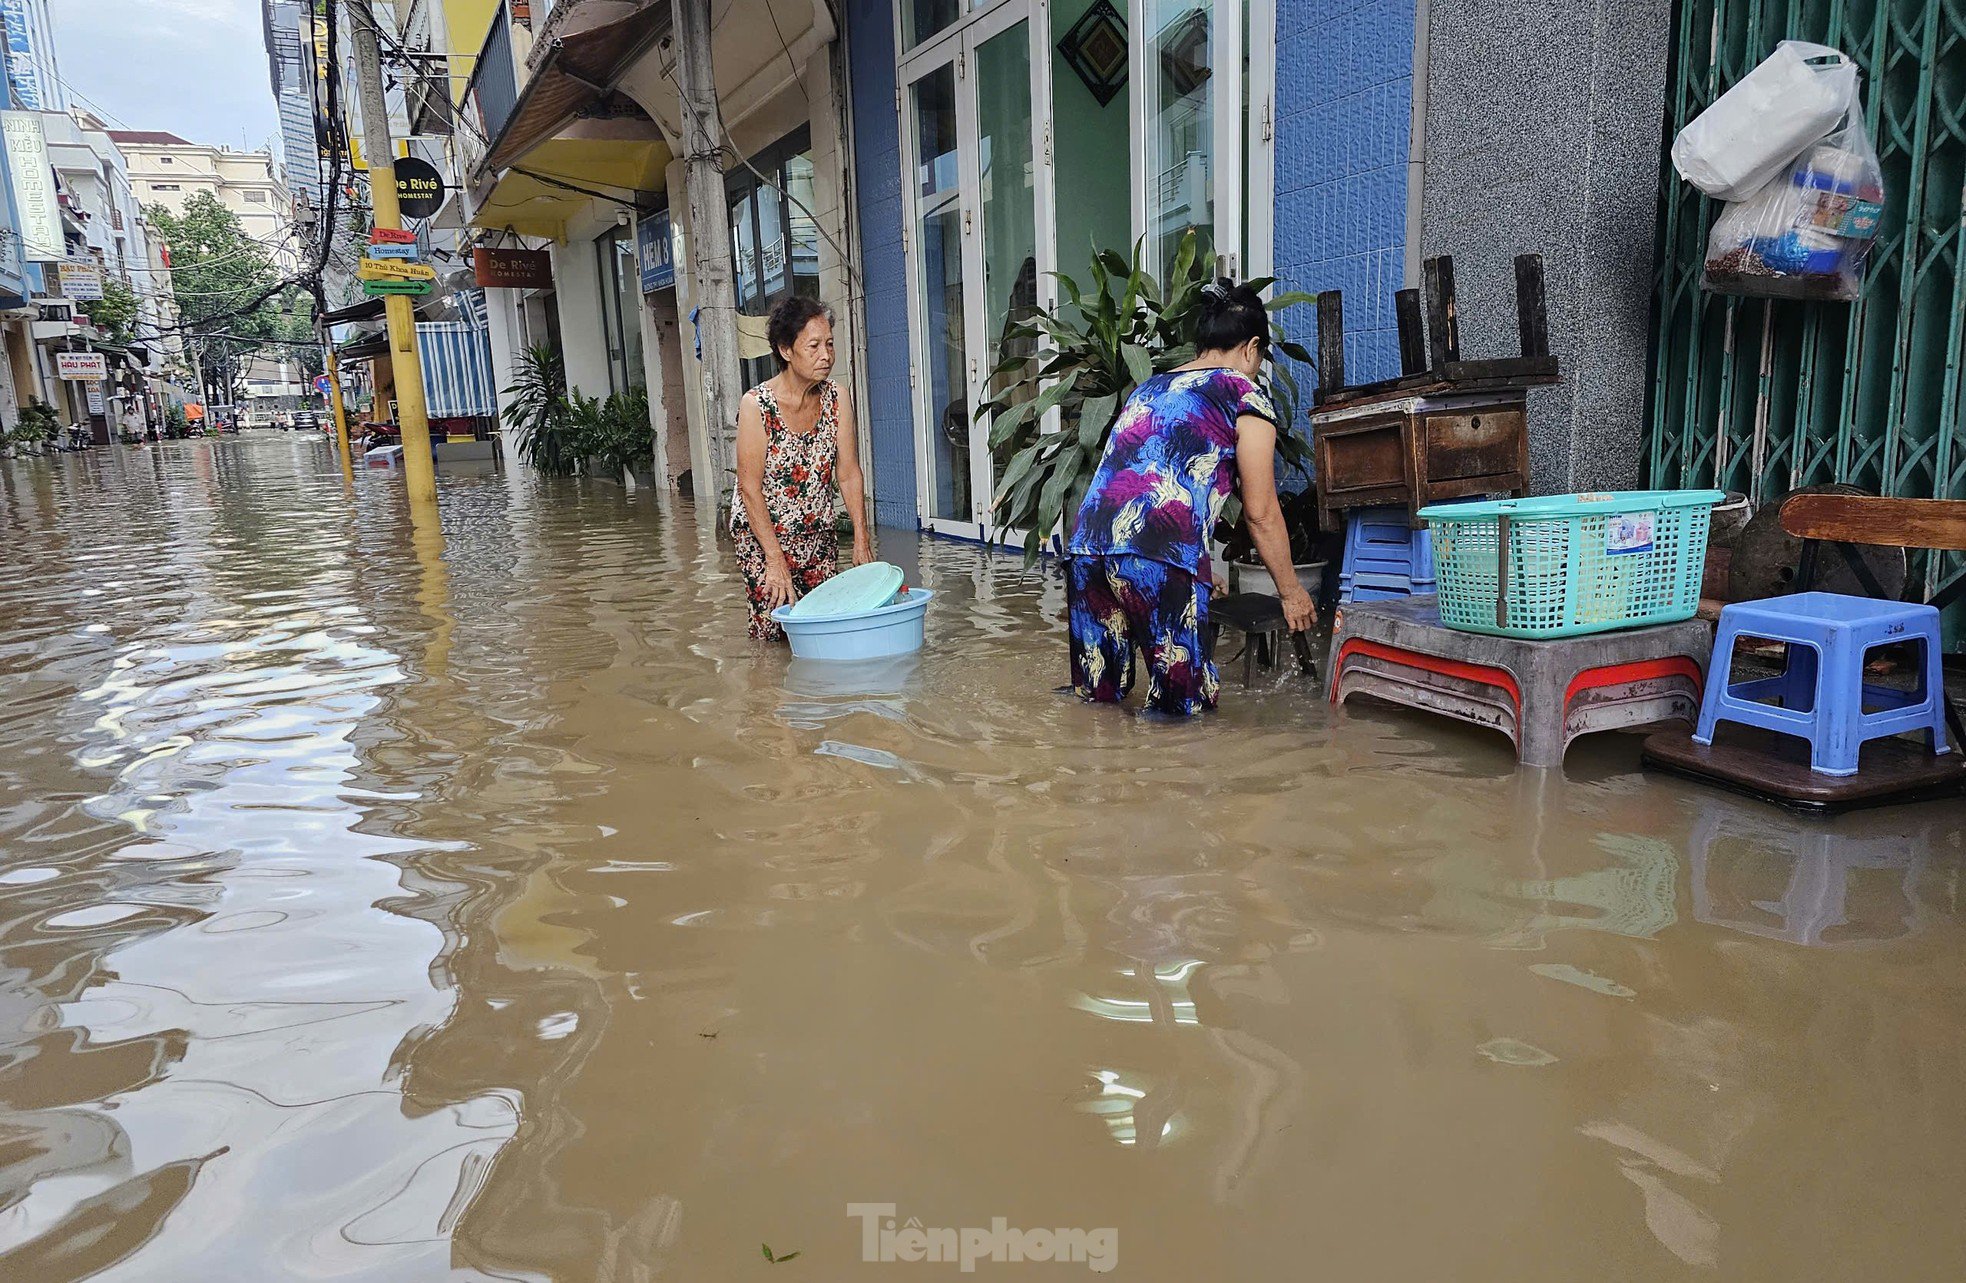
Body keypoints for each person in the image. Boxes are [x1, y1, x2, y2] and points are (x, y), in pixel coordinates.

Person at [1064, 278, 1316, 715]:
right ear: (1251, 348)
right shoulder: (1244, 393)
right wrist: (1292, 592)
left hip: (1089, 549)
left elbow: (1148, 478)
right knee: (1180, 713)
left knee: (1097, 701)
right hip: (1155, 554)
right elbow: (1260, 512)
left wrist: (1194, 568)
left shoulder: (1150, 388)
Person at [731, 296, 874, 641]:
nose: (826, 355)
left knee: (824, 625)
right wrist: (775, 559)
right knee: (771, 629)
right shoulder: (756, 406)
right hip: (762, 537)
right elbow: (749, 487)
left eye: (829, 344)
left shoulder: (836, 397)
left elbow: (849, 473)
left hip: (816, 532)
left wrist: (860, 537)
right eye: (813, 346)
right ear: (785, 350)